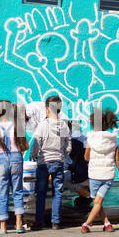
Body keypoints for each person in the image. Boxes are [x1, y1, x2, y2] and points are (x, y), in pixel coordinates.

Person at [0, 100, 29, 234]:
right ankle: (19, 223)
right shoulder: (17, 126)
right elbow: (25, 146)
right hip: (16, 160)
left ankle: (3, 226)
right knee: (17, 192)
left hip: (0, 161)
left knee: (2, 193)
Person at [81, 108, 119, 233]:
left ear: (93, 123)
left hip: (94, 174)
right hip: (108, 175)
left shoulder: (90, 139)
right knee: (98, 202)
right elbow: (118, 160)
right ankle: (107, 224)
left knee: (96, 202)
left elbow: (86, 157)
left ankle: (86, 224)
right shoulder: (114, 140)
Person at [30, 95, 72, 230]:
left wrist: (34, 155)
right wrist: (62, 155)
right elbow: (69, 146)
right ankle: (56, 222)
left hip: (43, 162)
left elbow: (37, 144)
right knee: (57, 191)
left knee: (41, 192)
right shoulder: (64, 125)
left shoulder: (42, 125)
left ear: (47, 109)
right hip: (58, 161)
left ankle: (39, 222)